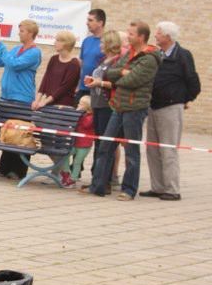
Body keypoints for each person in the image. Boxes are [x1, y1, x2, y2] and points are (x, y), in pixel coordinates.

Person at [82, 21, 160, 200]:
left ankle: (129, 189)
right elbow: (111, 72)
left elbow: (132, 80)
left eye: (131, 34)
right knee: (105, 146)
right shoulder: (129, 53)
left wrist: (122, 75)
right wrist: (123, 73)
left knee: (131, 150)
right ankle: (98, 186)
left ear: (141, 37)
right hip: (118, 106)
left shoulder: (149, 58)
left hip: (135, 108)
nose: (127, 36)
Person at [141, 21, 201, 202]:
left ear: (167, 36)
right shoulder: (157, 54)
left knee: (168, 149)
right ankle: (158, 187)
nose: (155, 35)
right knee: (152, 150)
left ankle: (172, 189)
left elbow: (193, 82)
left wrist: (183, 99)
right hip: (153, 106)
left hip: (171, 107)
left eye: (158, 33)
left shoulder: (183, 55)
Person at [0, 19, 42, 178]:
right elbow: (0, 62)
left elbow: (14, 64)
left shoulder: (34, 52)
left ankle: (19, 171)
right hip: (7, 97)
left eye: (22, 31)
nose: (19, 33)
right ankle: (4, 168)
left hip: (22, 98)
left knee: (20, 135)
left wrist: (1, 45)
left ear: (31, 33)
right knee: (8, 133)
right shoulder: (16, 49)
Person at [89, 29, 123, 167]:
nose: (100, 45)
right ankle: (96, 173)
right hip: (97, 103)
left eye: (103, 42)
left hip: (106, 104)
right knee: (97, 140)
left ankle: (104, 175)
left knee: (105, 142)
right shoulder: (104, 60)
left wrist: (100, 83)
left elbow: (117, 83)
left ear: (110, 43)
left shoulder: (116, 61)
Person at [32, 30, 80, 109]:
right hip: (49, 103)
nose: (55, 43)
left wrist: (44, 102)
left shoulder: (74, 64)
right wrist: (37, 100)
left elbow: (64, 88)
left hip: (63, 105)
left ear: (66, 43)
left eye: (58, 40)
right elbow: (45, 80)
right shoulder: (53, 59)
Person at [60, 96, 94, 188]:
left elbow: (86, 125)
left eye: (80, 104)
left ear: (86, 107)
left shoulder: (90, 116)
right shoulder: (80, 114)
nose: (78, 105)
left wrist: (79, 114)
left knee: (77, 162)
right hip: (76, 142)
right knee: (65, 155)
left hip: (85, 145)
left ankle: (73, 179)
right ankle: (66, 172)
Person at [77, 8, 106, 101]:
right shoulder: (86, 40)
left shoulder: (107, 42)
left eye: (90, 20)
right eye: (87, 20)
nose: (87, 23)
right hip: (82, 88)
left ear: (100, 23)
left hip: (98, 90)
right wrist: (77, 85)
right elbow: (81, 64)